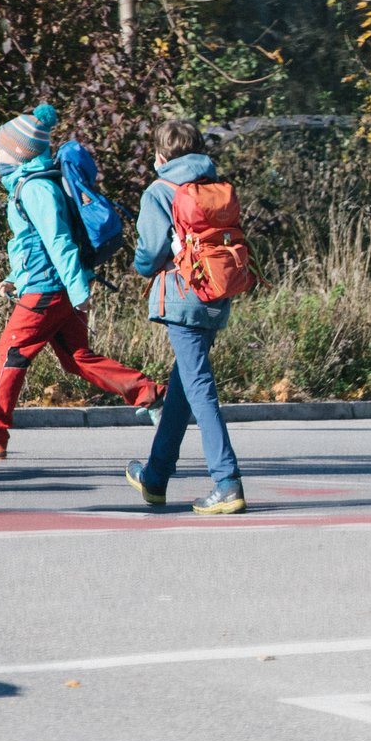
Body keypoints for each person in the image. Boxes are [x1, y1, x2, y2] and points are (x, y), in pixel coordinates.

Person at [0, 104, 162, 460]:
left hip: (49, 289)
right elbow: (32, 244)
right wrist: (14, 278)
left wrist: (77, 289)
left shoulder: (36, 188)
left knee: (11, 352)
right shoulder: (32, 184)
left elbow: (58, 241)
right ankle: (151, 394)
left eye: (0, 147)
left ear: (19, 153)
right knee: (76, 357)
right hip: (51, 285)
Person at [121, 120, 248, 514]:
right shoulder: (215, 187)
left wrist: (140, 263)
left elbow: (152, 252)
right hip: (217, 292)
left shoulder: (159, 190)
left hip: (182, 298)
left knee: (199, 387)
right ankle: (155, 477)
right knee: (183, 386)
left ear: (160, 156)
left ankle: (226, 482)